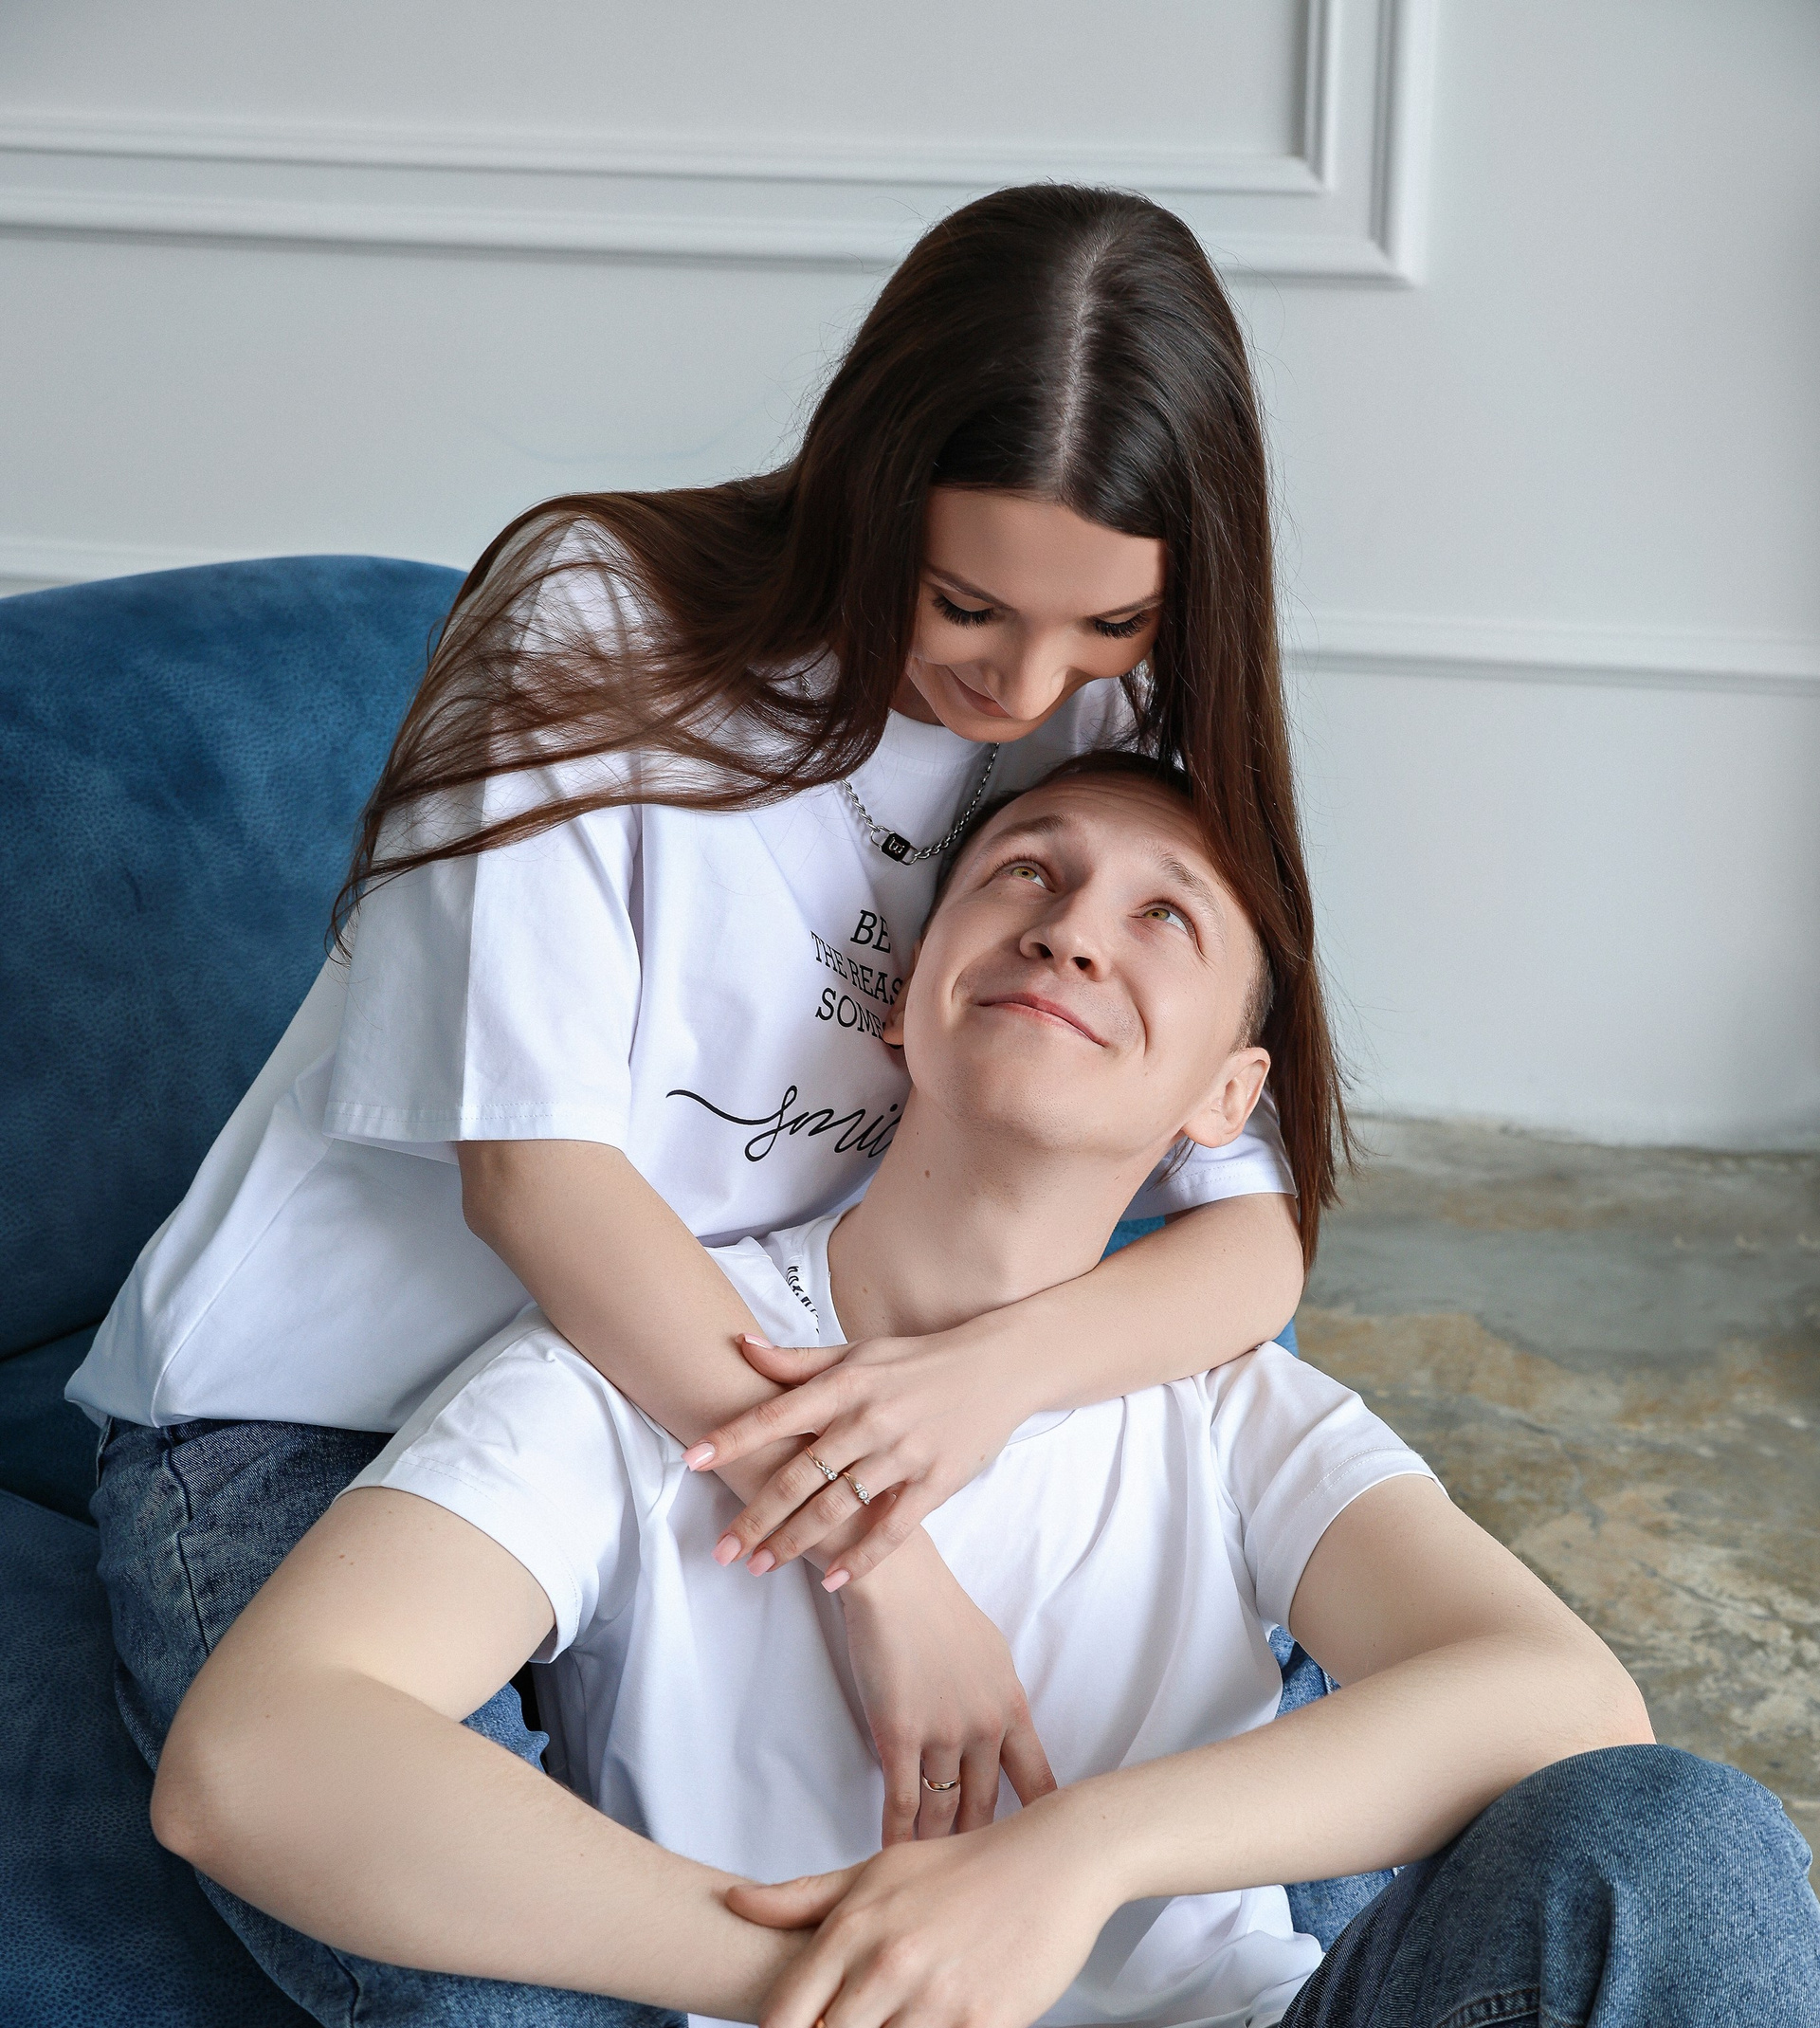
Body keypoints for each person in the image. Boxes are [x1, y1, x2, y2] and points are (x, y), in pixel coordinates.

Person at [151, 757, 1803, 2028]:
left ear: (1224, 1099)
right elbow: (256, 1757)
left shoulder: (1220, 1404)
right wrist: (851, 1993)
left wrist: (1068, 1858)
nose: (1077, 929)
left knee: (1676, 1855)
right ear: (905, 1001)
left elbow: (1571, 1713)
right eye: (1025, 874)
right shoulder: (631, 1381)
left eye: (1162, 917)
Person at [75, 181, 1329, 1853]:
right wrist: (881, 1557)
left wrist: (982, 1386)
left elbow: (1249, 1247)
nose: (1028, 689)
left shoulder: (1111, 729)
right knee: (497, 1959)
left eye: (1110, 623)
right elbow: (535, 1180)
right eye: (965, 606)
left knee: (1257, 1840)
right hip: (331, 1414)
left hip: (757, 1407)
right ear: (867, 488)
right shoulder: (596, 618)